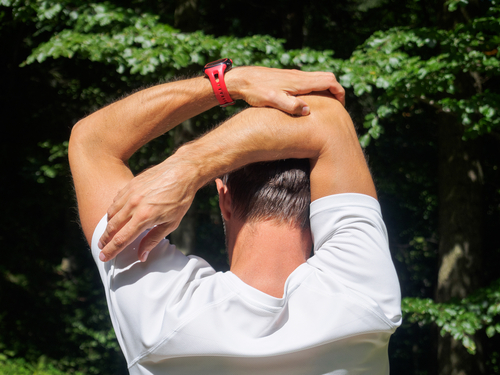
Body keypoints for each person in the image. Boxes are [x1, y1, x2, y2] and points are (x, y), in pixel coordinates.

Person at [68, 65, 401, 375]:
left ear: (224, 197)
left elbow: (92, 142)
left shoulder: (161, 315)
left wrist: (229, 83)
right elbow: (327, 118)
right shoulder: (363, 294)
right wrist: (190, 166)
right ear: (320, 198)